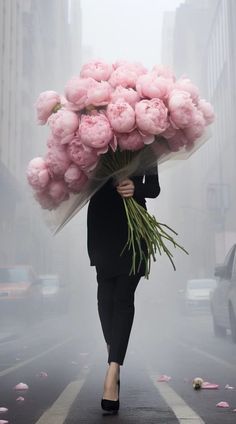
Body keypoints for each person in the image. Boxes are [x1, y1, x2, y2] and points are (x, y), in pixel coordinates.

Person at [87, 164, 160, 413]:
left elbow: (154, 188)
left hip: (133, 229)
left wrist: (135, 186)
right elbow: (79, 181)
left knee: (122, 298)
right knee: (104, 300)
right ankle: (113, 353)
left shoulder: (145, 138)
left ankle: (113, 368)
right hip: (101, 226)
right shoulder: (87, 132)